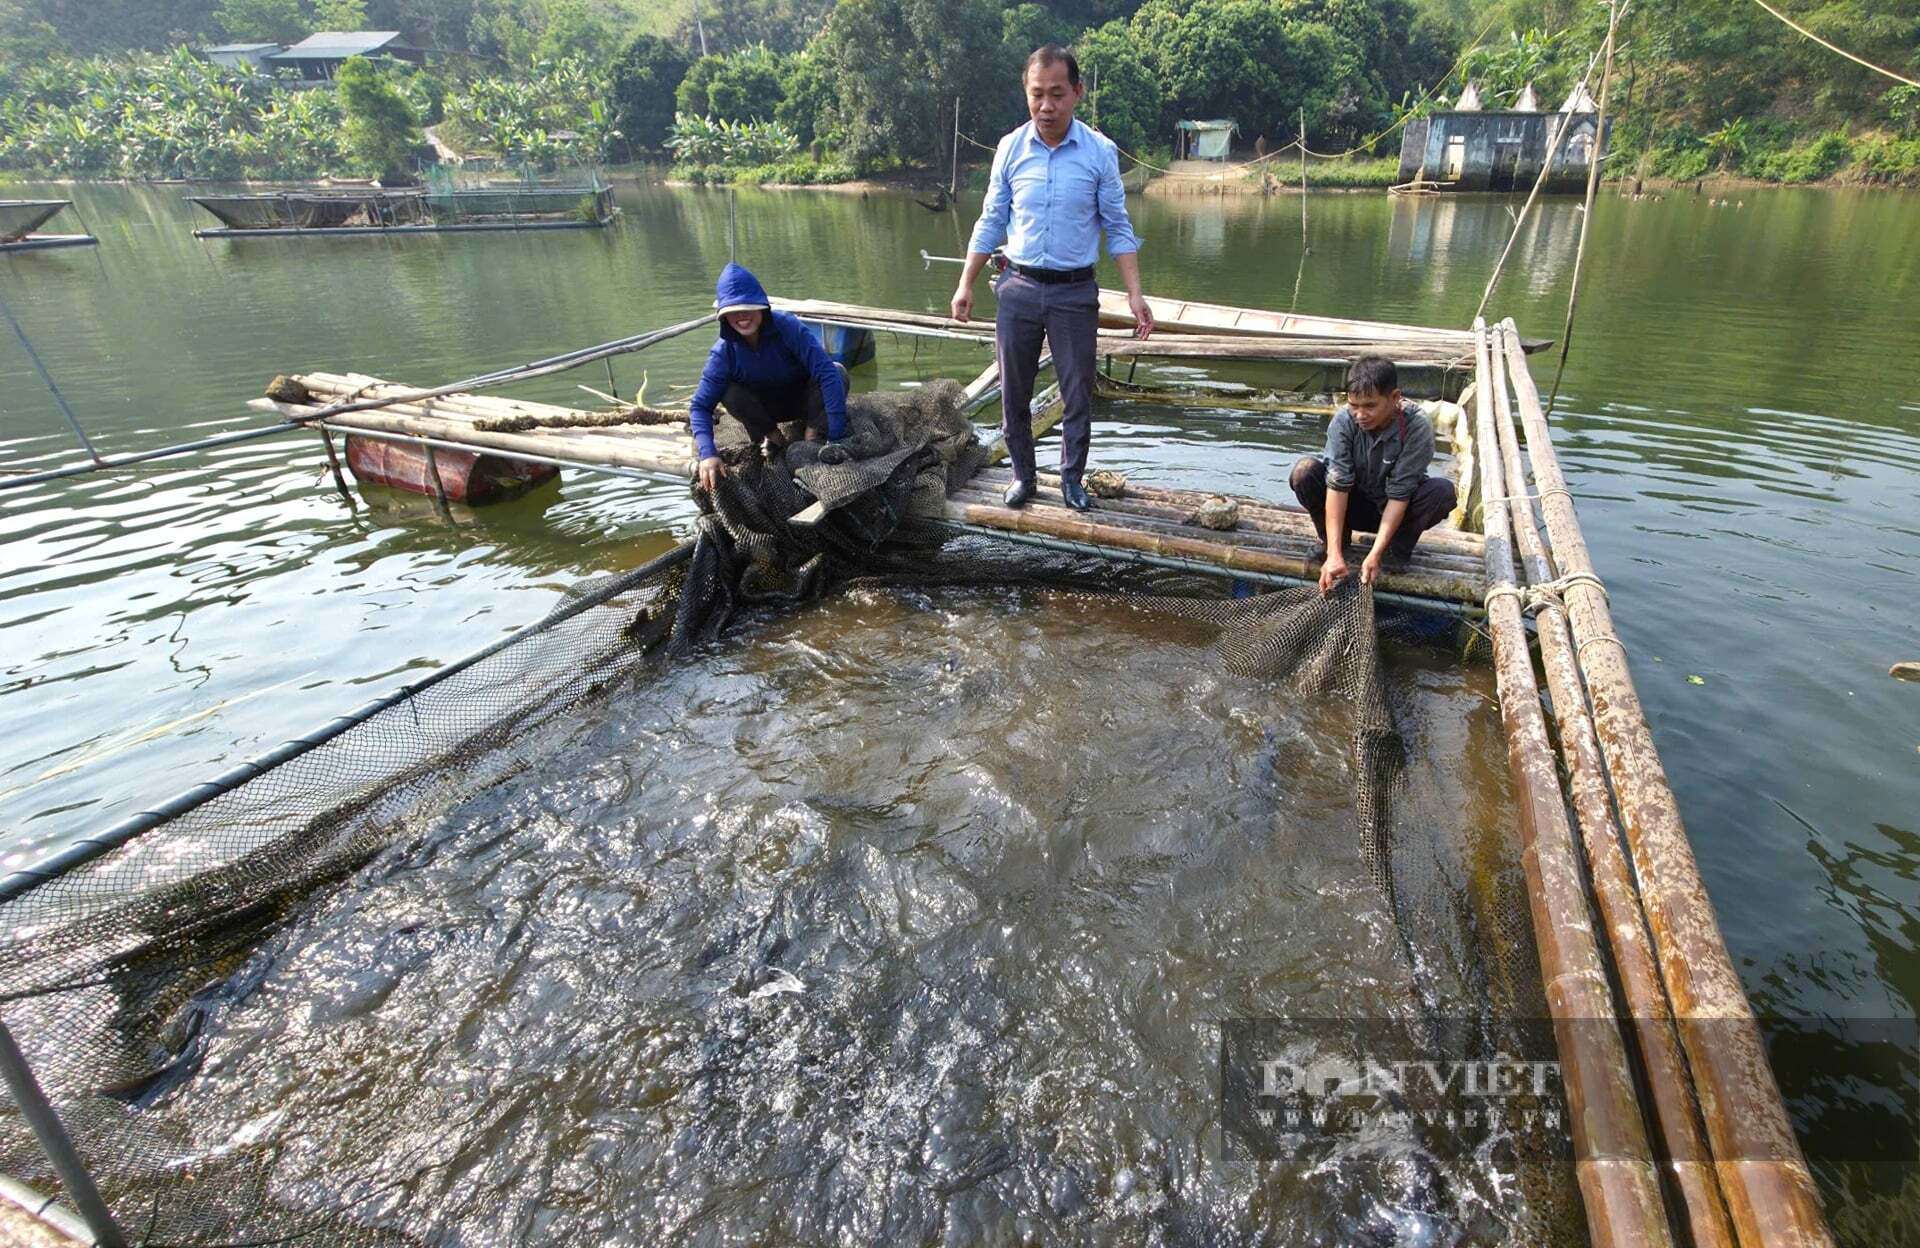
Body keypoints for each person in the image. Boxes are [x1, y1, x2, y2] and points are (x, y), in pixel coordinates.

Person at [950, 44, 1153, 512]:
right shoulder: (1010, 148)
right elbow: (991, 219)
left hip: (1075, 291)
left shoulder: (1099, 152)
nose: (1046, 105)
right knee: (1013, 391)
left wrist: (1135, 295)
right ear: (1026, 94)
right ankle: (1023, 476)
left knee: (1077, 391)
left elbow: (1118, 227)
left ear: (1077, 93)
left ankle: (1071, 480)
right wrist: (965, 283)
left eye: (1057, 94)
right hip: (1017, 287)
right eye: (1037, 94)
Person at [1290, 355, 1458, 594]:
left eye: (1370, 406)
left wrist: (1375, 553)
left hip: (1393, 510)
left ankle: (1395, 550)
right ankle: (1332, 541)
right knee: (1304, 472)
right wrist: (1334, 555)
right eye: (1354, 405)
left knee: (1442, 492)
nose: (1360, 415)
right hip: (1353, 506)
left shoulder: (1416, 427)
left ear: (1394, 398)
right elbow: (1338, 484)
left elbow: (1400, 493)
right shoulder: (1343, 421)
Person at [689, 262, 848, 493]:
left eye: (748, 307)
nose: (742, 316)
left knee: (837, 371)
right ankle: (774, 439)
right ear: (723, 317)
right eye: (733, 311)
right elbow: (699, 407)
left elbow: (826, 373)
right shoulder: (723, 353)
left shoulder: (789, 327)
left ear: (762, 308)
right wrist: (707, 454)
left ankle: (811, 439)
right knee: (729, 391)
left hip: (802, 400)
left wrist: (836, 436)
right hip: (763, 412)